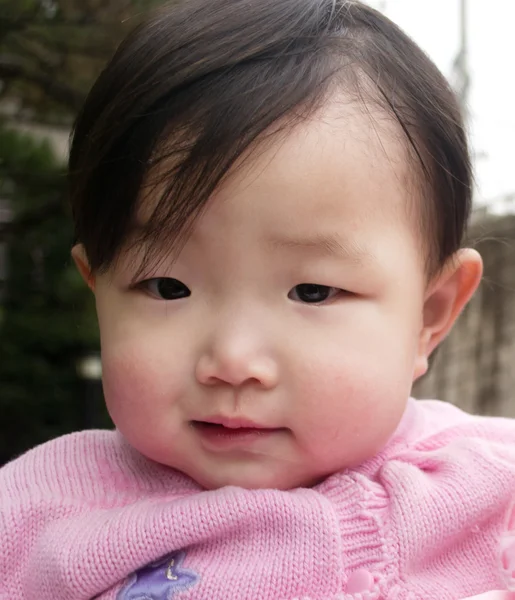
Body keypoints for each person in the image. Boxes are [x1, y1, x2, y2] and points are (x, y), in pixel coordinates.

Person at [2, 0, 515, 598]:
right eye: (168, 287)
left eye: (313, 291)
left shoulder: (488, 488)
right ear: (99, 292)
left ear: (428, 316)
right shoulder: (39, 513)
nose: (233, 361)